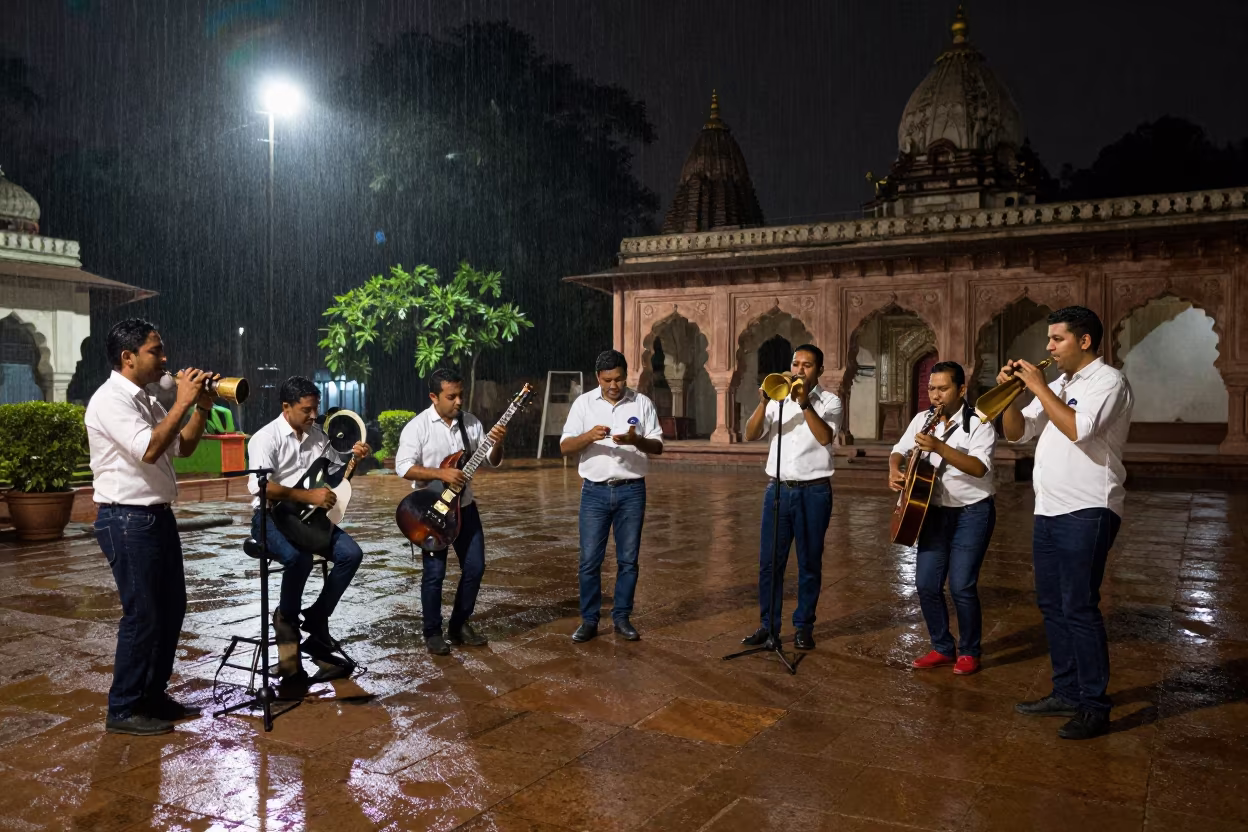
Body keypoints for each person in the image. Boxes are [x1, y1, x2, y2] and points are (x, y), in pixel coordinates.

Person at [1000, 305, 1133, 740]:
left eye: (1057, 339)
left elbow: (1079, 429)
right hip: (1049, 509)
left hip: (1089, 508)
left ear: (1084, 341)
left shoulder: (1108, 381)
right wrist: (1013, 397)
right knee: (1053, 606)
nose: (1049, 347)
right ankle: (1066, 690)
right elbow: (1019, 434)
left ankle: (1095, 705)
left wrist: (1038, 387)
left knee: (1079, 606)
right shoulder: (1062, 383)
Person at [86, 318, 213, 735]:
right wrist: (181, 399)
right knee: (142, 614)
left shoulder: (145, 399)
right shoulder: (109, 400)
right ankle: (122, 708)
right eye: (155, 351)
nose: (164, 358)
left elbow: (183, 445)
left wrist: (202, 407)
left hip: (155, 517)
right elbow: (148, 448)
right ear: (128, 357)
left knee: (171, 609)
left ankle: (152, 696)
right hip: (126, 519)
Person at [246, 376, 369, 684]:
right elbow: (261, 488)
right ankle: (287, 624)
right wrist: (305, 495)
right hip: (270, 517)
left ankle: (316, 616)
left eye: (316, 409)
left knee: (351, 554)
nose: (314, 416)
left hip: (309, 518)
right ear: (286, 407)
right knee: (299, 559)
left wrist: (354, 458)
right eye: (307, 410)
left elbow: (334, 474)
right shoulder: (265, 438)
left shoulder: (317, 436)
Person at [889, 361, 997, 675]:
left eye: (943, 388)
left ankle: (969, 651)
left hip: (972, 512)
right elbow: (899, 449)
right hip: (931, 512)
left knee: (962, 585)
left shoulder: (978, 422)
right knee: (925, 584)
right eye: (931, 388)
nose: (935, 395)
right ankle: (942, 646)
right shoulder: (923, 419)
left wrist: (939, 446)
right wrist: (894, 469)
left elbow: (979, 467)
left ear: (961, 389)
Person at [396, 368, 506, 655]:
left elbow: (492, 461)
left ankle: (459, 625)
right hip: (430, 511)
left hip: (465, 507)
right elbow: (403, 466)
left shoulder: (470, 424)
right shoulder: (417, 427)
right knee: (434, 573)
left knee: (475, 567)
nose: (458, 401)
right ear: (434, 396)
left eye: (461, 395)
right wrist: (440, 474)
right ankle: (432, 631)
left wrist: (497, 442)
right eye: (451, 396)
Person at [740, 344, 841, 651]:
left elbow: (825, 437)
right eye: (796, 363)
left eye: (807, 365)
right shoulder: (777, 400)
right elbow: (750, 434)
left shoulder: (830, 401)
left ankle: (803, 626)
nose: (799, 369)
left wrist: (804, 403)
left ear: (819, 371)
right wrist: (764, 401)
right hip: (778, 490)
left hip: (814, 491)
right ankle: (768, 626)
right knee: (770, 563)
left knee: (809, 563)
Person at [560, 349, 663, 642]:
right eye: (607, 380)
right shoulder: (583, 405)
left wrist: (636, 440)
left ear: (626, 375)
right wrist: (588, 436)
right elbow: (565, 447)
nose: (614, 386)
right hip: (594, 492)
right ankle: (589, 620)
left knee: (628, 559)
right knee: (590, 560)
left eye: (619, 379)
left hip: (632, 491)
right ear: (598, 378)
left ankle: (622, 617)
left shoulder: (642, 403)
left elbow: (657, 447)